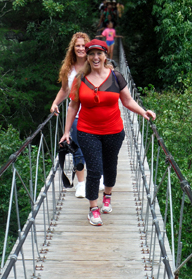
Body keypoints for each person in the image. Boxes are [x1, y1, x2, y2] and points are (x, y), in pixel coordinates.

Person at [60, 39, 156, 226]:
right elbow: (72, 106)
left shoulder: (117, 77)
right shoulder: (80, 79)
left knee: (110, 167)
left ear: (105, 56)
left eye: (99, 54)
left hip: (113, 130)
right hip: (87, 131)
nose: (95, 58)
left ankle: (108, 196)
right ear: (87, 57)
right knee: (94, 169)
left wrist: (143, 112)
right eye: (91, 54)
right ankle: (93, 209)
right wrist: (66, 133)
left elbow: (127, 101)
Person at [50, 32, 90, 198]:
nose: (80, 48)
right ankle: (81, 184)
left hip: (94, 114)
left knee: (95, 148)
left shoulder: (94, 63)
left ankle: (98, 176)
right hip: (75, 115)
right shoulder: (69, 68)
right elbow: (65, 90)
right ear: (73, 48)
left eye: (83, 45)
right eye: (77, 46)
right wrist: (55, 103)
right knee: (77, 150)